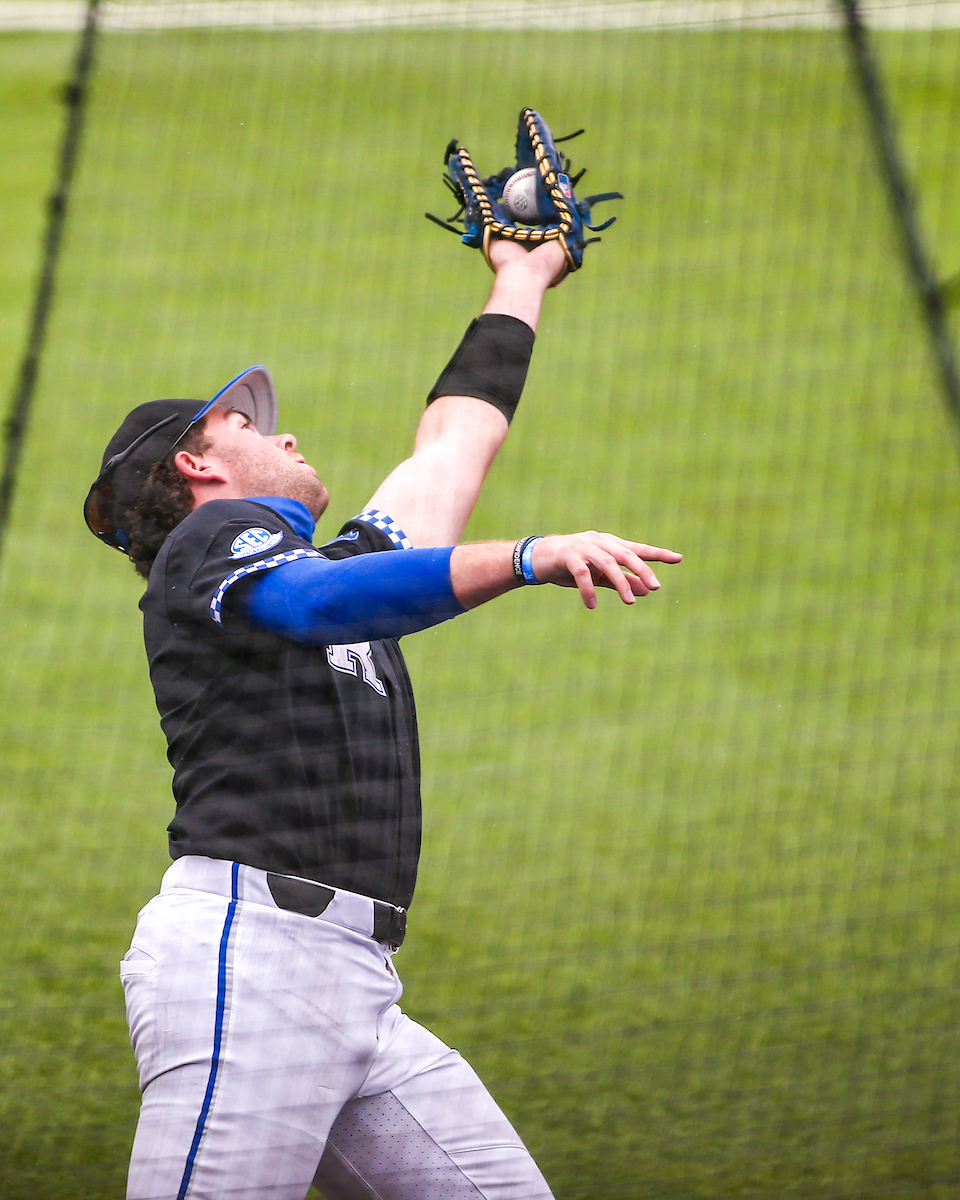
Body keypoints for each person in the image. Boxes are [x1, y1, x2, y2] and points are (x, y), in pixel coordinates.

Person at [84, 236, 681, 1200]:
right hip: (252, 970)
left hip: (351, 985)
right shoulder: (214, 545)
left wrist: (521, 278)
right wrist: (528, 556)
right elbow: (320, 608)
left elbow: (451, 446)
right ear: (195, 466)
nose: (284, 436)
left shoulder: (323, 565)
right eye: (249, 423)